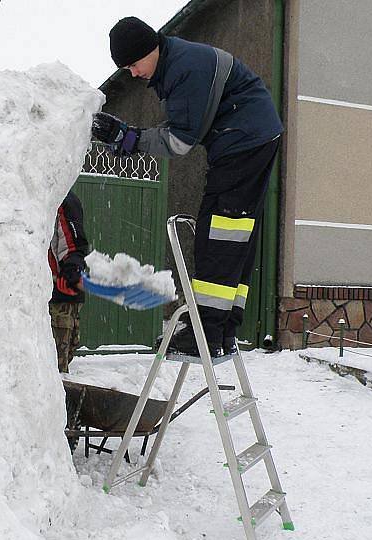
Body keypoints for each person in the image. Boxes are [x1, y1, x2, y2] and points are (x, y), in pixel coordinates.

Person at [91, 17, 282, 358]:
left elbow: (179, 142)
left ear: (151, 49)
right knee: (236, 237)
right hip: (253, 137)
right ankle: (223, 329)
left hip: (242, 141)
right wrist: (130, 135)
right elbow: (184, 125)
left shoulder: (184, 68)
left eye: (134, 64)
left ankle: (206, 335)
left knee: (218, 238)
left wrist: (129, 138)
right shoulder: (178, 62)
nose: (132, 73)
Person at [49, 190, 88, 374]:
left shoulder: (63, 198)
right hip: (40, 296)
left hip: (60, 299)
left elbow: (74, 245)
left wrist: (70, 270)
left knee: (53, 369)